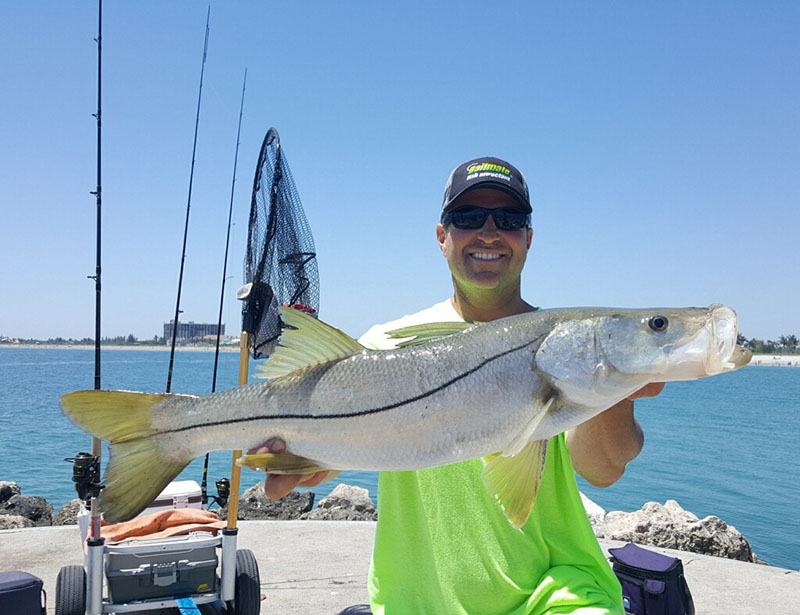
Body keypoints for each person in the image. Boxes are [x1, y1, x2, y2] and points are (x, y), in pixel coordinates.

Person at [252, 156, 664, 614]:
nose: (489, 232)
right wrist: (306, 461)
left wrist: (614, 385)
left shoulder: (567, 344)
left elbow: (602, 471)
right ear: (442, 236)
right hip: (415, 601)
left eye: (508, 220)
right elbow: (348, 449)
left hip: (559, 593)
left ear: (528, 238)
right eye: (468, 218)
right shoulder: (383, 344)